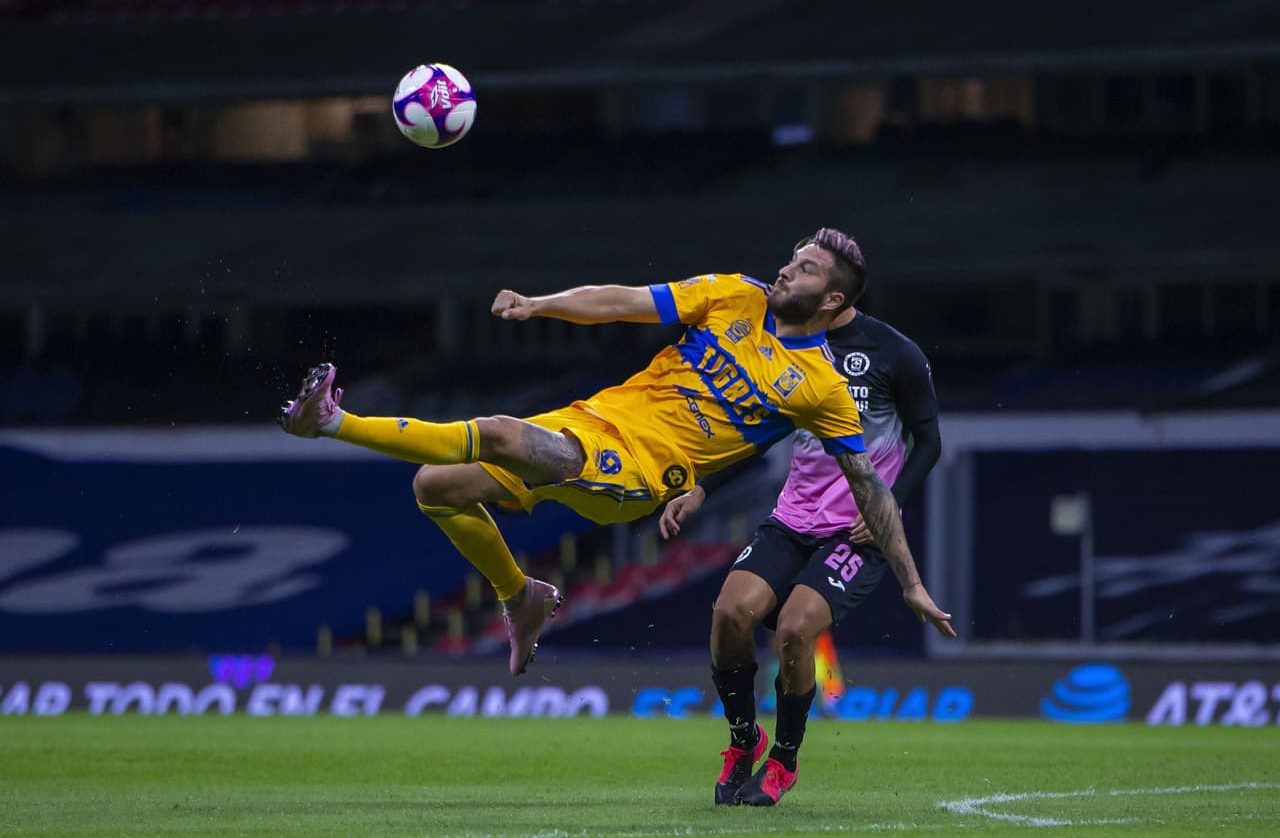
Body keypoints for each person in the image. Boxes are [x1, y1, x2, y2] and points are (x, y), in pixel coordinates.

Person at [278, 228, 952, 683]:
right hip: (591, 423)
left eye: (807, 266)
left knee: (501, 432)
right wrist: (542, 303)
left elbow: (867, 484)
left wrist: (912, 581)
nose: (786, 266)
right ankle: (522, 596)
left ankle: (333, 421)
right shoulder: (732, 295)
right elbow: (623, 302)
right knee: (437, 486)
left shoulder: (822, 388)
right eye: (792, 255)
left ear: (832, 297)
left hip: (632, 474)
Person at [658, 298, 951, 807]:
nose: (787, 277)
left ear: (836, 290)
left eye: (803, 268)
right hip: (791, 520)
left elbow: (929, 442)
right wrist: (702, 487)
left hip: (856, 532)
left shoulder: (894, 353)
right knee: (730, 613)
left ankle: (784, 760)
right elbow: (757, 432)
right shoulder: (781, 345)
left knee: (795, 628)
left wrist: (888, 504)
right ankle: (744, 740)